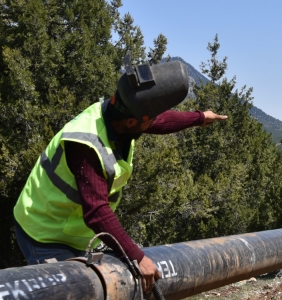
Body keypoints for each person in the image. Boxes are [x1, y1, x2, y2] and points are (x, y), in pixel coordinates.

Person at [12, 57, 227, 295]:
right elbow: (96, 212)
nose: (154, 122)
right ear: (133, 121)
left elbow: (159, 121)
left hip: (73, 232)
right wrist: (137, 256)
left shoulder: (121, 114)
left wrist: (200, 117)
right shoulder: (86, 143)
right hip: (44, 231)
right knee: (70, 292)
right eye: (149, 119)